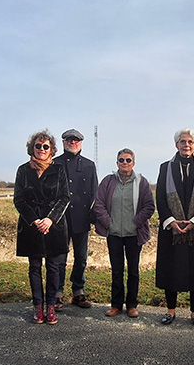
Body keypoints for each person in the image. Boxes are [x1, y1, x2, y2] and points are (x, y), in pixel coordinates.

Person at [155, 129, 194, 327]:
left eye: (190, 142)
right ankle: (170, 311)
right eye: (182, 141)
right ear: (176, 145)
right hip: (172, 229)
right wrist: (170, 220)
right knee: (171, 268)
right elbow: (160, 197)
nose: (186, 145)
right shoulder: (165, 167)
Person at [14, 130, 71, 325]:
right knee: (34, 267)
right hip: (31, 225)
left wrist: (50, 220)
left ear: (51, 150)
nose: (41, 149)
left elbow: (64, 198)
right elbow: (19, 199)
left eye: (45, 146)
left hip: (53, 225)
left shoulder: (59, 170)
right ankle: (38, 307)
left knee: (54, 267)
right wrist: (34, 220)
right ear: (32, 148)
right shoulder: (23, 170)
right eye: (38, 146)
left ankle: (51, 307)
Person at [93, 148, 155, 318]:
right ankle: (116, 305)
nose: (125, 163)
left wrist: (136, 223)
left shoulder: (141, 182)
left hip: (134, 235)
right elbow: (99, 204)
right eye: (121, 160)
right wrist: (108, 223)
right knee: (116, 271)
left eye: (128, 160)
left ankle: (132, 305)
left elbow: (149, 206)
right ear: (117, 163)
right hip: (114, 234)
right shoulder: (108, 181)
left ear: (133, 163)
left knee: (133, 271)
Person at [54, 128, 98, 309]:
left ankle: (78, 292)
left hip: (81, 218)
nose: (72, 143)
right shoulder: (54, 164)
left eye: (76, 140)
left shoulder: (89, 165)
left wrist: (94, 216)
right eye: (69, 140)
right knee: (59, 259)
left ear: (81, 143)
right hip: (60, 219)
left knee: (81, 258)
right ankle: (57, 293)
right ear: (63, 142)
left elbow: (95, 193)